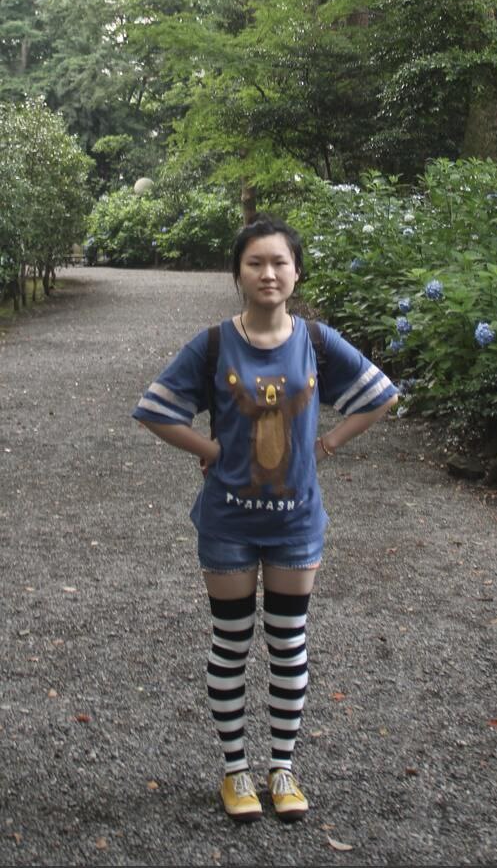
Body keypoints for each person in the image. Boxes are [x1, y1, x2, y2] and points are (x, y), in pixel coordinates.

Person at [132, 214, 398, 822]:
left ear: (297, 272)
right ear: (238, 274)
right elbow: (155, 409)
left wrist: (327, 444)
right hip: (227, 521)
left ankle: (282, 768)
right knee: (230, 643)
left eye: (280, 262)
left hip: (296, 523)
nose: (268, 273)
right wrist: (210, 448)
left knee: (287, 642)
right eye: (255, 263)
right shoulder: (213, 344)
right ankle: (236, 773)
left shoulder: (317, 342)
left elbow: (380, 394)